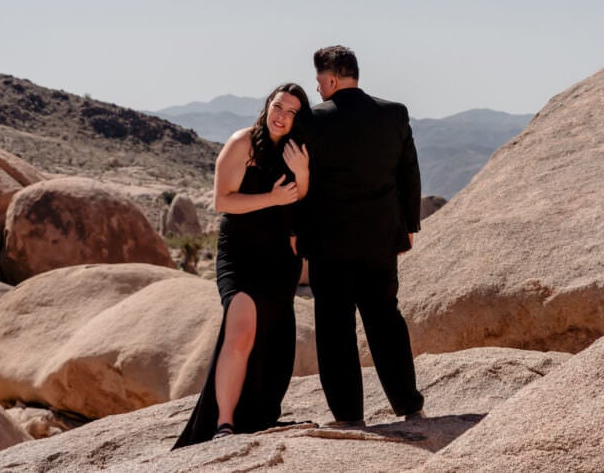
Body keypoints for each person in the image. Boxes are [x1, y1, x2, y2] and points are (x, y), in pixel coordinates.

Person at [171, 83, 310, 447]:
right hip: (242, 254)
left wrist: (304, 172)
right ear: (267, 106)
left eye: (292, 112)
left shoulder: (296, 150)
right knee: (241, 333)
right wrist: (272, 197)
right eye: (279, 107)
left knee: (275, 341)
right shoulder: (242, 143)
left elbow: (301, 201)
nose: (283, 116)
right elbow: (222, 201)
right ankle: (224, 424)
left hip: (281, 258)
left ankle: (259, 414)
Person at [298, 46, 424, 426]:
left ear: (331, 79)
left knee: (335, 330)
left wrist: (297, 235)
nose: (318, 89)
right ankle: (408, 404)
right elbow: (409, 175)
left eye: (320, 81)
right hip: (380, 240)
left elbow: (300, 184)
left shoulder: (312, 120)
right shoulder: (393, 113)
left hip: (328, 245)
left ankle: (349, 416)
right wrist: (409, 228)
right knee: (386, 320)